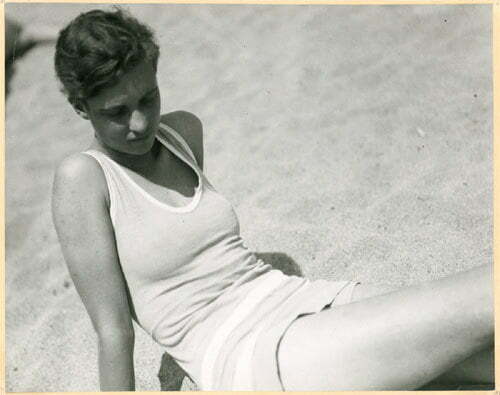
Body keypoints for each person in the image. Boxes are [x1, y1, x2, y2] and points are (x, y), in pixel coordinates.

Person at [51, 8, 494, 391]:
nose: (140, 122)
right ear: (80, 107)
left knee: (485, 356)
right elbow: (112, 332)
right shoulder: (84, 179)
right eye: (116, 112)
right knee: (480, 300)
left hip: (297, 298)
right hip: (248, 354)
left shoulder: (183, 132)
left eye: (149, 97)